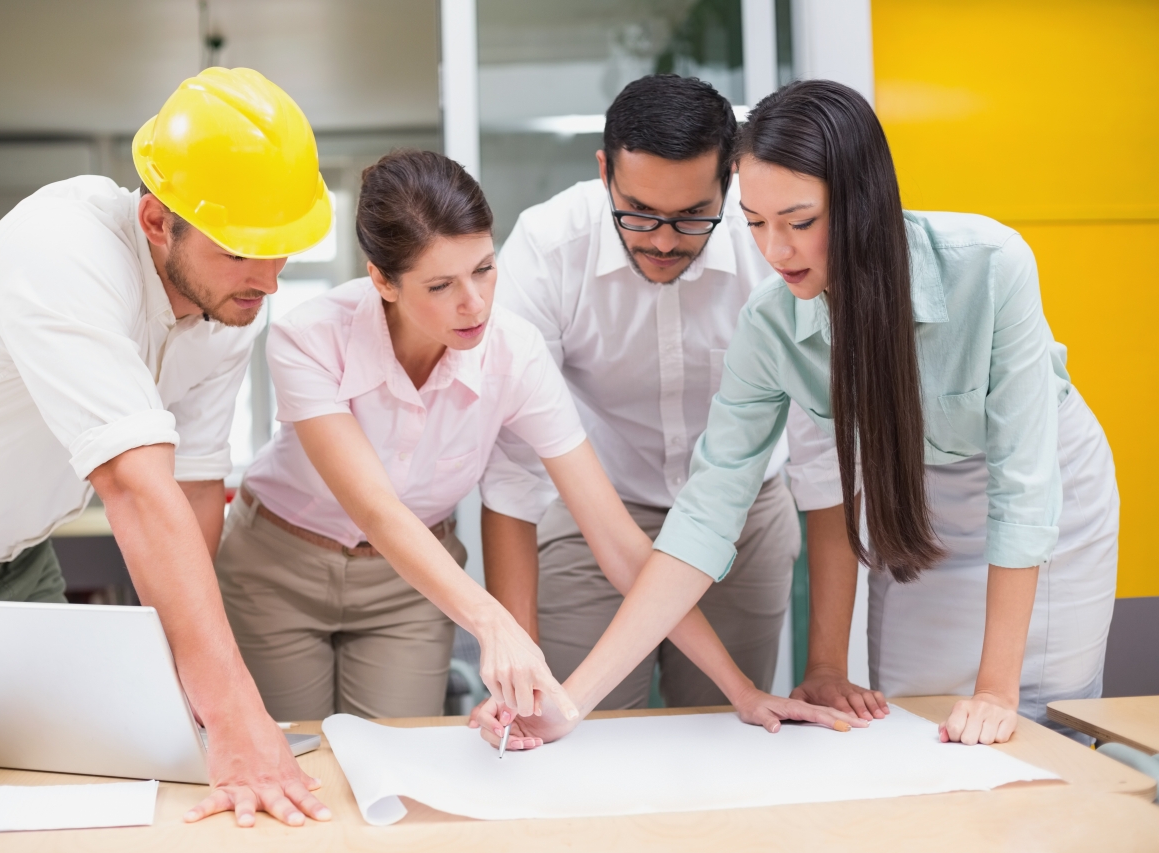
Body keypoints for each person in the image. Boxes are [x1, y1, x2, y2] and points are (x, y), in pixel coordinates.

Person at [472, 79, 1117, 750]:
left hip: (1047, 498)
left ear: (861, 201)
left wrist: (997, 690)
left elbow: (1022, 486)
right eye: (754, 223)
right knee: (916, 722)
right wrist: (569, 703)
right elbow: (706, 515)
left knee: (1033, 717)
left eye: (799, 223)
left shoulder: (990, 265)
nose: (774, 251)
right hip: (909, 499)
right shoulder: (772, 321)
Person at [214, 150, 853, 734]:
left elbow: (620, 544)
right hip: (279, 565)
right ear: (383, 281)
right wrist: (496, 624)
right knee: (300, 754)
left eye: (484, 270)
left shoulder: (514, 351)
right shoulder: (307, 337)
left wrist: (741, 691)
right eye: (440, 286)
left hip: (409, 585)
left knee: (395, 757)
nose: (474, 304)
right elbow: (377, 509)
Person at [0, 68, 336, 826]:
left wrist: (190, 679)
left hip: (21, 565)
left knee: (69, 798)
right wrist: (233, 711)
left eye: (281, 249)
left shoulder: (230, 303)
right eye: (241, 251)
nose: (269, 280)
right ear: (157, 220)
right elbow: (134, 485)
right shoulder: (62, 250)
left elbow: (194, 488)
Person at [480, 74, 802, 709]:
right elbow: (513, 467)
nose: (661, 240)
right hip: (596, 511)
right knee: (585, 729)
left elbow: (824, 444)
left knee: (723, 729)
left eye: (691, 216)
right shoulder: (548, 248)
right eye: (639, 212)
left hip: (745, 516)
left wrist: (825, 662)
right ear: (605, 172)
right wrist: (519, 656)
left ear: (730, 179)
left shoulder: (771, 249)